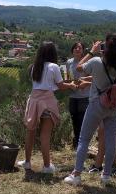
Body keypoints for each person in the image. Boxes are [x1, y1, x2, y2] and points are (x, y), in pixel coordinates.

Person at [64, 34, 116, 186]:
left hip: (97, 103)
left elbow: (78, 69)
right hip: (115, 106)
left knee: (84, 139)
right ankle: (106, 175)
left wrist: (92, 51)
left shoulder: (96, 61)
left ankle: (76, 174)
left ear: (106, 48)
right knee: (111, 141)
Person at [18, 42, 76, 172]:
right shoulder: (54, 66)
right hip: (47, 102)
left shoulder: (33, 67)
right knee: (45, 135)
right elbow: (60, 86)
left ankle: (27, 162)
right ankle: (47, 166)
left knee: (30, 132)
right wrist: (71, 85)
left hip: (33, 101)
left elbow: (40, 85)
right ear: (52, 53)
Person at [66, 42, 92, 149]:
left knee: (83, 121)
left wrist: (84, 84)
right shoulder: (68, 62)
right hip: (73, 96)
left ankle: (82, 145)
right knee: (74, 121)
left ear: (83, 51)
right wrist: (69, 84)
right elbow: (67, 77)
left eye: (80, 48)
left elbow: (92, 77)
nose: (77, 49)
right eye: (75, 47)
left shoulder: (88, 62)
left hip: (84, 97)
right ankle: (76, 143)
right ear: (72, 50)